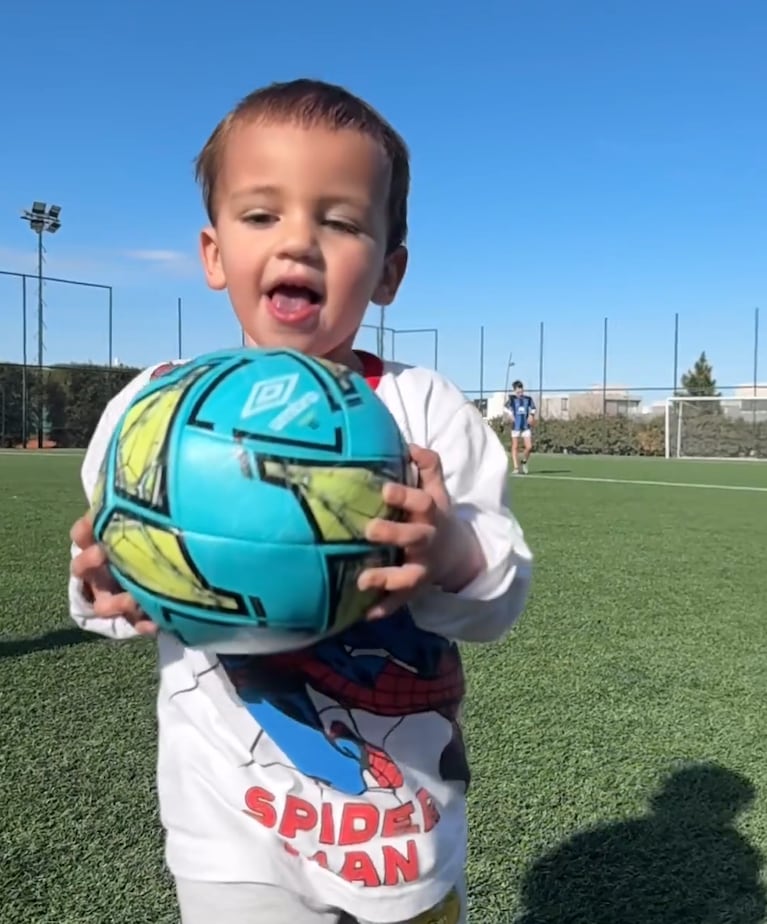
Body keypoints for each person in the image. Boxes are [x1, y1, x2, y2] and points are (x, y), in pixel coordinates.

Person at [68, 79, 533, 924]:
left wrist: (451, 554)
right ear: (213, 254)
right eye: (261, 215)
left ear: (389, 269)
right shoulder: (154, 415)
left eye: (341, 219)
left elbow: (498, 600)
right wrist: (103, 588)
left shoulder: (424, 413)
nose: (300, 242)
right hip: (230, 830)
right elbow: (107, 586)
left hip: (400, 827)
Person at [505, 381, 536, 474]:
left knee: (529, 447)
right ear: (514, 391)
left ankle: (524, 462)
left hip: (525, 426)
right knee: (515, 446)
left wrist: (531, 415)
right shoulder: (512, 399)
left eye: (521, 391)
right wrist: (510, 414)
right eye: (518, 392)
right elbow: (505, 408)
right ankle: (516, 468)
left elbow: (533, 408)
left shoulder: (528, 399)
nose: (520, 394)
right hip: (516, 426)